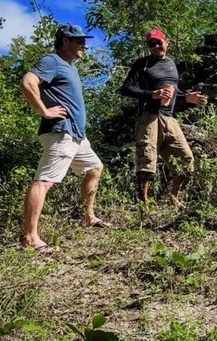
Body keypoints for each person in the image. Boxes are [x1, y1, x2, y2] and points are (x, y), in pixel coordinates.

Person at [20, 23, 109, 253]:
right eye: (79, 41)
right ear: (65, 41)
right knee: (44, 181)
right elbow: (28, 82)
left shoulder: (69, 67)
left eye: (84, 41)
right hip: (61, 131)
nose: (84, 45)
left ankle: (88, 217)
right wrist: (44, 111)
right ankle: (30, 237)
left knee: (94, 167)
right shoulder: (52, 61)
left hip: (76, 135)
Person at [120, 29, 207, 205]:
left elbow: (174, 91)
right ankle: (144, 205)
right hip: (149, 117)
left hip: (169, 119)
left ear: (167, 43)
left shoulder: (172, 64)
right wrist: (152, 94)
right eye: (151, 44)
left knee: (186, 160)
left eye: (158, 42)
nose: (155, 46)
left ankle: (174, 198)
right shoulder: (142, 64)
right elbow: (126, 88)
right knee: (147, 161)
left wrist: (187, 97)